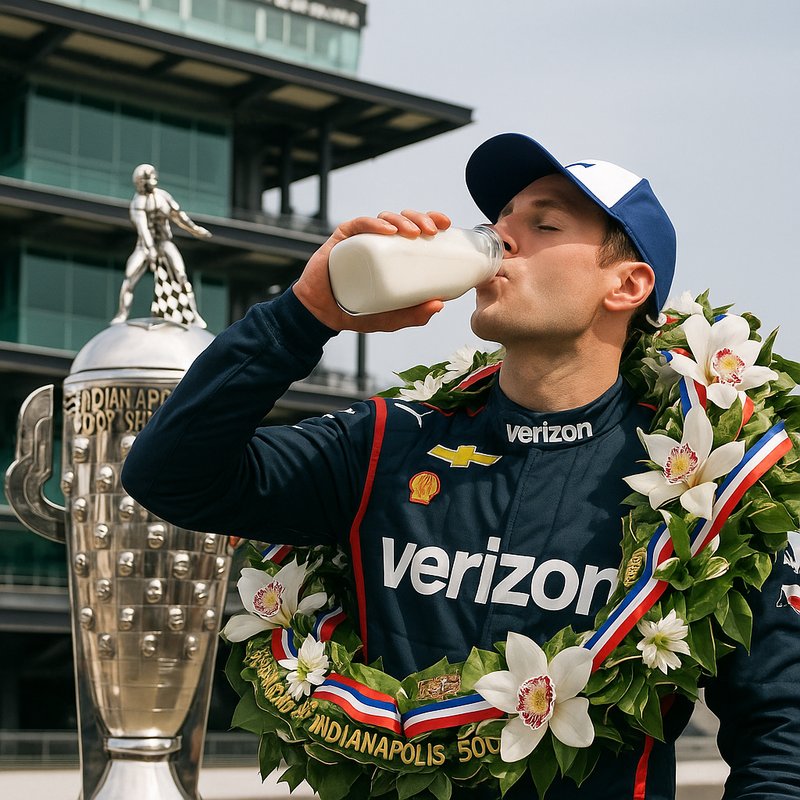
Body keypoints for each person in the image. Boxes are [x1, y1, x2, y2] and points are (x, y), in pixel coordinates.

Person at [121, 134, 800, 799]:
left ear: (626, 285)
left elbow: (780, 736)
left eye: (544, 224)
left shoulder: (705, 483)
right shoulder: (386, 443)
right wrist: (307, 313)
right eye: (500, 219)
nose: (502, 237)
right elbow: (170, 476)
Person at [112, 163, 210, 327]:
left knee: (180, 274)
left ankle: (193, 314)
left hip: (164, 242)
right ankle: (122, 314)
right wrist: (150, 251)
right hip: (144, 246)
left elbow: (179, 216)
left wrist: (194, 229)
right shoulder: (137, 203)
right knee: (130, 277)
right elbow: (143, 229)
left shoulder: (163, 196)